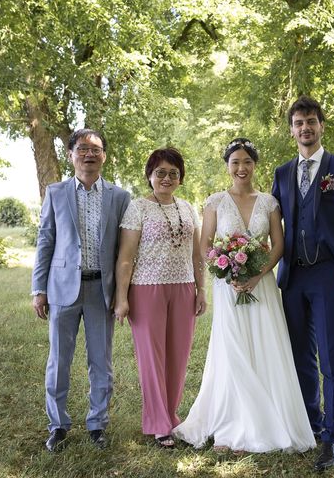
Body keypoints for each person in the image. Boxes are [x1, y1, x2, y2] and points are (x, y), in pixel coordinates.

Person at [173, 138, 315, 454]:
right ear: (228, 165)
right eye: (235, 162)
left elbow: (278, 244)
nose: (241, 168)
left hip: (261, 284)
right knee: (232, 348)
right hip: (229, 286)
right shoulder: (214, 202)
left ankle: (263, 423)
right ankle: (229, 425)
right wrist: (229, 272)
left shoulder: (269, 202)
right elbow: (206, 244)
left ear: (255, 165)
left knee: (265, 345)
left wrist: (256, 274)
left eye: (247, 162)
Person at [271, 96, 334, 471]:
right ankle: (310, 423)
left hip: (329, 275)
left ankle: (332, 436)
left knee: (331, 358)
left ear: (321, 126)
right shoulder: (281, 173)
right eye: (298, 122)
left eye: (311, 121)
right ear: (291, 129)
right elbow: (270, 224)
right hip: (293, 278)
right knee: (299, 357)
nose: (305, 128)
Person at [31, 129, 131, 452]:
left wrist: (122, 294)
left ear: (103, 156)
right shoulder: (56, 193)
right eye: (83, 149)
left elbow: (124, 252)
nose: (89, 154)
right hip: (62, 290)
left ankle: (97, 424)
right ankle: (57, 425)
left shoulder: (119, 197)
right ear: (72, 154)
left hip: (102, 289)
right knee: (59, 360)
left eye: (96, 149)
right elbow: (46, 240)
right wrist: (39, 289)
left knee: (101, 362)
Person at [113, 148, 206, 449]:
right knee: (152, 359)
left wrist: (201, 289)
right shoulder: (137, 208)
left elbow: (197, 254)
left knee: (178, 356)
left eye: (173, 173)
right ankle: (157, 423)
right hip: (146, 288)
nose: (166, 178)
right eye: (160, 172)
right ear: (150, 175)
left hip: (183, 287)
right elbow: (125, 258)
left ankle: (170, 414)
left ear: (180, 177)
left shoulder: (189, 208)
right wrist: (122, 298)